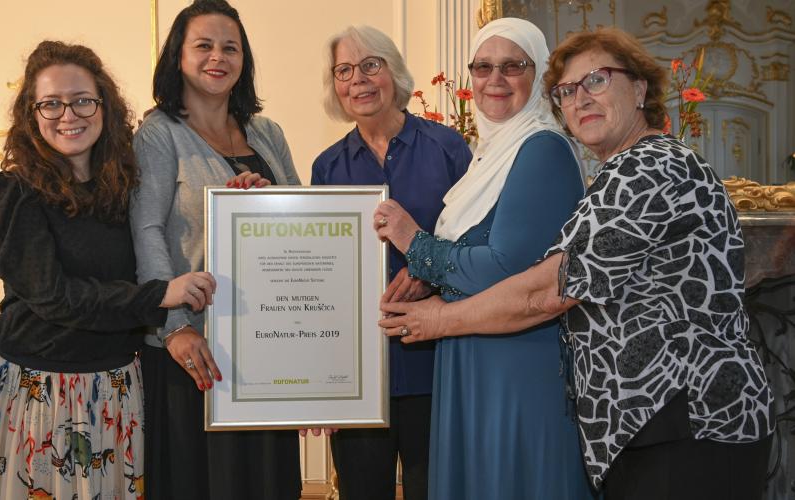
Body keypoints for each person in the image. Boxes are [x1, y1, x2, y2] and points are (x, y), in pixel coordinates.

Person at [378, 27, 774, 500]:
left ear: (640, 88)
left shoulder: (652, 167)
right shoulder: (620, 173)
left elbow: (546, 292)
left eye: (597, 81)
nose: (580, 98)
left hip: (689, 419)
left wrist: (441, 317)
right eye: (567, 90)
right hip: (648, 425)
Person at [0, 40, 215, 500]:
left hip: (116, 388)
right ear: (31, 113)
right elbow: (54, 297)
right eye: (51, 103)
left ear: (104, 105)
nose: (69, 115)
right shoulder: (9, 193)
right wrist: (159, 295)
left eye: (83, 100)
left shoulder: (124, 190)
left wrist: (245, 197)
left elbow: (179, 235)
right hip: (40, 391)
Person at [372, 18, 595, 499]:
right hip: (476, 355)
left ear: (537, 78)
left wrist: (415, 243)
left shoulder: (542, 149)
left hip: (517, 367)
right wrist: (427, 276)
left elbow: (506, 268)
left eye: (513, 66)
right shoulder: (491, 153)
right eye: (483, 66)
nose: (495, 79)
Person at [129, 1, 302, 499]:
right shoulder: (159, 134)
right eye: (203, 45)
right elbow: (146, 231)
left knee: (267, 484)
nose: (217, 57)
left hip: (264, 347)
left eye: (231, 46)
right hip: (192, 353)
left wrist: (264, 197)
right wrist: (176, 327)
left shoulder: (268, 134)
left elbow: (302, 224)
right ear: (178, 56)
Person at [310, 25, 471, 500]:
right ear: (335, 86)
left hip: (436, 365)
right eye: (344, 70)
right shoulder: (327, 168)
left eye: (370, 65)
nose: (357, 79)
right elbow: (321, 274)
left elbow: (478, 249)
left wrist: (431, 276)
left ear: (393, 72)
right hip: (360, 376)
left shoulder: (449, 149)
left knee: (435, 490)